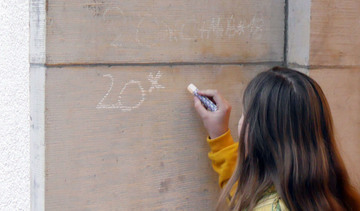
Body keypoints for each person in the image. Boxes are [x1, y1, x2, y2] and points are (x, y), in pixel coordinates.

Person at [193, 67, 360, 211]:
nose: (240, 120)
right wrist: (220, 138)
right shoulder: (330, 194)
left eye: (245, 113)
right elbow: (247, 196)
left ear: (260, 135)